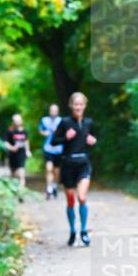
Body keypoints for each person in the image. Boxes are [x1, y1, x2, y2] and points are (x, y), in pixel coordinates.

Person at [52, 92, 97, 247]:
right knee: (71, 201)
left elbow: (94, 137)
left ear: (85, 105)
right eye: (75, 104)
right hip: (68, 164)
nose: (78, 107)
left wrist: (93, 140)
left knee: (82, 197)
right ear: (71, 106)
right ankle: (72, 231)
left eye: (81, 104)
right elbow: (53, 141)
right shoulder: (65, 122)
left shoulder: (89, 122)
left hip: (83, 163)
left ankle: (83, 231)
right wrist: (65, 137)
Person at [38, 104, 64, 200]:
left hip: (58, 149)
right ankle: (49, 188)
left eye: (55, 110)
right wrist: (45, 133)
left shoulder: (61, 121)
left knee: (56, 171)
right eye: (52, 110)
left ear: (58, 111)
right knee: (49, 169)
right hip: (48, 148)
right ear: (49, 111)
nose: (53, 112)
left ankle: (55, 186)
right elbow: (40, 130)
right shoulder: (44, 120)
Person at [2, 114, 31, 198]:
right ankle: (13, 191)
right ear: (13, 122)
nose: (17, 122)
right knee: (13, 174)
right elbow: (5, 142)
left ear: (21, 121)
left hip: (21, 154)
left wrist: (28, 151)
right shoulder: (10, 131)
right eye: (16, 121)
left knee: (22, 174)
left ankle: (21, 193)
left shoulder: (24, 131)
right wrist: (11, 148)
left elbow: (26, 141)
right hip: (12, 155)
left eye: (19, 120)